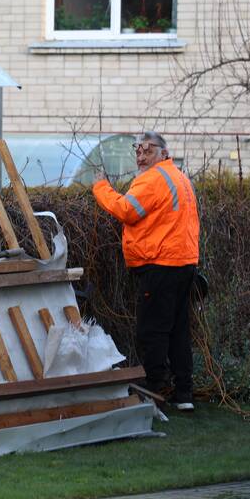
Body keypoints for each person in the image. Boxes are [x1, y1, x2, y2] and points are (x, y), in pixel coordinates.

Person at [91, 131, 200, 412]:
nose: (141, 156)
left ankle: (156, 392)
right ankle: (183, 394)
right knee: (178, 331)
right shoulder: (179, 178)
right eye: (137, 150)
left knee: (152, 332)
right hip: (184, 263)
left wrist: (100, 187)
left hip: (160, 264)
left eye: (147, 150)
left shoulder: (152, 179)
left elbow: (127, 210)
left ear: (163, 153)